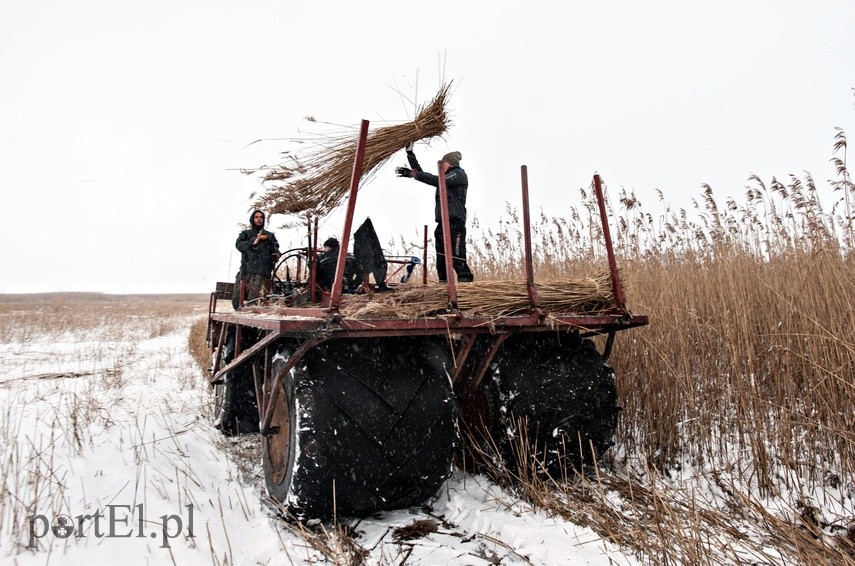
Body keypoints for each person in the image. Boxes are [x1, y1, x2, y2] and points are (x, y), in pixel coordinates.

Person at [396, 145, 474, 282]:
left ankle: (466, 285)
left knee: (457, 257)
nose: (440, 166)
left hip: (455, 222)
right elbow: (422, 175)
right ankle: (443, 286)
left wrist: (412, 174)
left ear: (449, 163)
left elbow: (438, 181)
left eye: (443, 163)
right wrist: (410, 154)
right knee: (441, 259)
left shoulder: (459, 174)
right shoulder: (444, 178)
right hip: (442, 223)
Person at [233, 209, 280, 308]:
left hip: (261, 271)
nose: (259, 219)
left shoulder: (269, 236)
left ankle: (250, 311)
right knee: (237, 298)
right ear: (252, 219)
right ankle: (239, 312)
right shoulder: (245, 234)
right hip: (246, 270)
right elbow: (239, 245)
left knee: (252, 299)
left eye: (261, 217)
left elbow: (275, 249)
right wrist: (252, 241)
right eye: (256, 217)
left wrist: (276, 254)